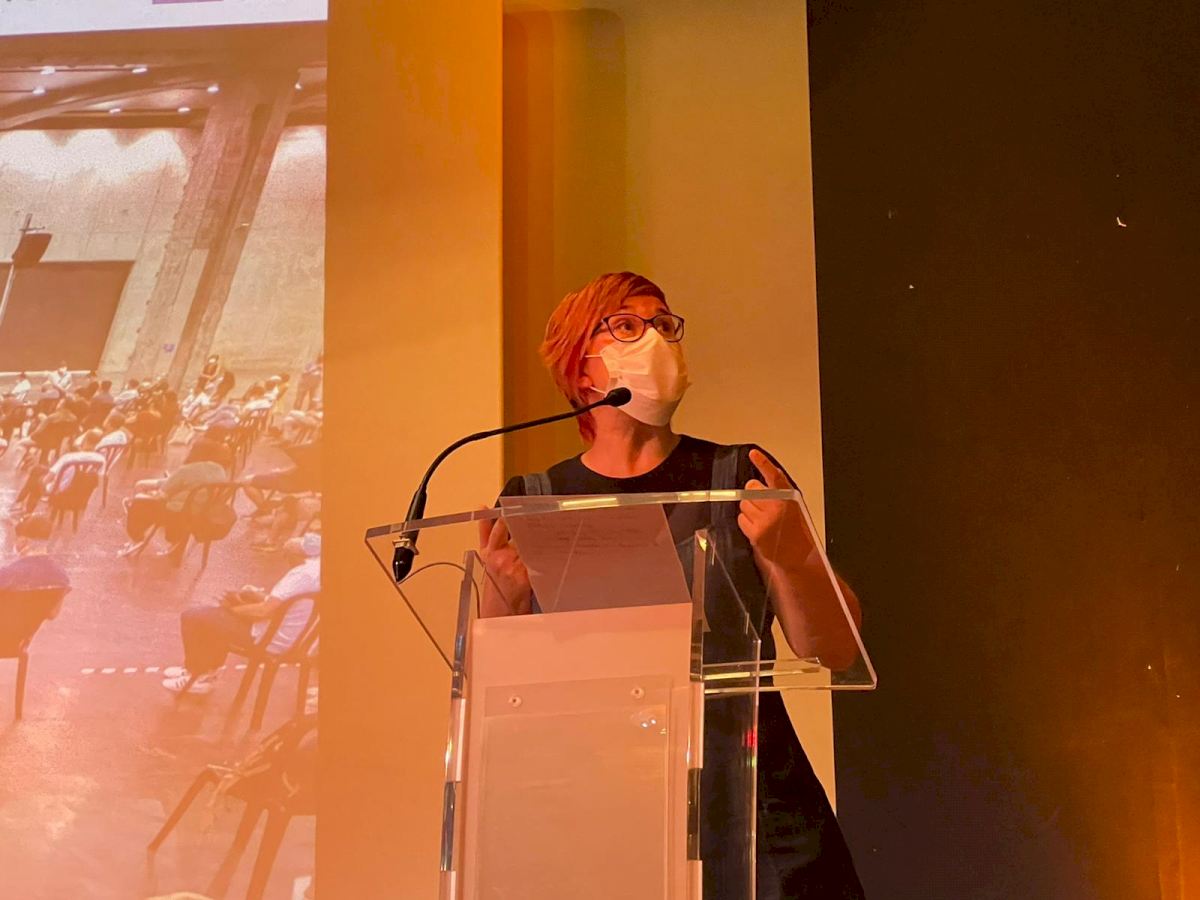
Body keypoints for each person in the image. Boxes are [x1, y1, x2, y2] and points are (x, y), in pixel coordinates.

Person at [481, 272, 866, 899]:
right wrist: (502, 597)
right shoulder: (536, 501)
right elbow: (498, 693)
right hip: (609, 814)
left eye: (664, 324)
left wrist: (794, 556)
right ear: (581, 371)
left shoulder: (740, 474)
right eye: (627, 326)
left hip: (754, 805)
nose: (656, 339)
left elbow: (837, 648)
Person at [162, 531, 321, 694]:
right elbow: (286, 604)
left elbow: (264, 612)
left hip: (273, 639)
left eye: (287, 556)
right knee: (217, 617)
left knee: (194, 617)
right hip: (298, 637)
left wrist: (231, 609)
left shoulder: (301, 574)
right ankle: (203, 671)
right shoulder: (319, 569)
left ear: (297, 556)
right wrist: (256, 597)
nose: (287, 562)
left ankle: (197, 675)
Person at [116, 439, 229, 556]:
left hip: (177, 511)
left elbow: (163, 494)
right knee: (145, 493)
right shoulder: (220, 471)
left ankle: (136, 536)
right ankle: (174, 539)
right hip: (201, 511)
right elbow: (187, 483)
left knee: (139, 502)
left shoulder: (188, 469)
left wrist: (151, 493)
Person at [13, 430, 104, 514]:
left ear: (85, 440)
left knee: (36, 479)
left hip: (59, 492)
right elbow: (98, 481)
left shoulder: (69, 457)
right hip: (79, 495)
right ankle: (21, 502)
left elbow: (46, 480)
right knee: (38, 469)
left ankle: (25, 508)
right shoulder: (101, 460)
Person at [0, 515, 70, 592]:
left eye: (16, 539)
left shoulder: (10, 572)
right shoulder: (61, 575)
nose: (15, 542)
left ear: (24, 541)